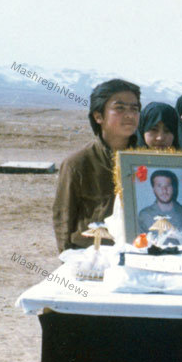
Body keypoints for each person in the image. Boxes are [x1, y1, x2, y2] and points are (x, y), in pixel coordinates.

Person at [53, 78, 140, 252]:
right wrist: (67, 259)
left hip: (136, 253)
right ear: (98, 116)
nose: (130, 115)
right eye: (120, 108)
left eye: (134, 108)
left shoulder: (146, 160)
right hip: (92, 255)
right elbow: (63, 219)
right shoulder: (77, 164)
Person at [137, 169, 182, 235]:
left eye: (168, 185)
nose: (164, 190)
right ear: (153, 189)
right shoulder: (144, 216)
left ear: (173, 188)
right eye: (159, 186)